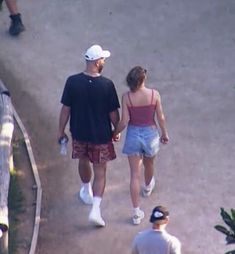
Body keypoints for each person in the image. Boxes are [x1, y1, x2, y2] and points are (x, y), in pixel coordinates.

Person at [58, 44, 120, 227]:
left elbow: (65, 109)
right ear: (96, 61)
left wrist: (60, 131)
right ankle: (96, 209)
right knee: (100, 172)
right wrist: (116, 131)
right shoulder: (107, 85)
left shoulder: (72, 81)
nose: (104, 62)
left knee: (83, 161)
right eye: (103, 59)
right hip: (101, 136)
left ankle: (85, 190)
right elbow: (113, 114)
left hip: (79, 133)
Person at [113, 66, 169, 225]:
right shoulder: (154, 94)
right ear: (143, 79)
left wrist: (115, 133)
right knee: (149, 163)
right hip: (151, 133)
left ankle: (136, 213)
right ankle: (148, 186)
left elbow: (124, 121)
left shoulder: (126, 97)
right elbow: (161, 117)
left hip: (133, 135)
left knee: (134, 175)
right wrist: (164, 134)